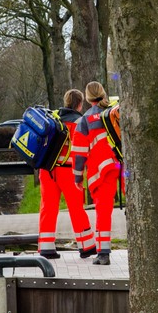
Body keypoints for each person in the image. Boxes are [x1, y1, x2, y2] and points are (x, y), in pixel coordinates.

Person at [38, 89, 96, 259]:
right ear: (80, 104)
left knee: (48, 207)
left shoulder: (53, 118)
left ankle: (46, 248)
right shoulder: (79, 122)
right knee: (76, 208)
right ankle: (86, 246)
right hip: (68, 171)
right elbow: (84, 151)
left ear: (65, 102)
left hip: (47, 170)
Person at [73, 82, 121, 265]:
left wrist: (78, 177)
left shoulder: (85, 120)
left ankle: (103, 253)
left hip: (101, 170)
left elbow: (79, 152)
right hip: (122, 165)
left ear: (87, 97)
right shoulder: (114, 111)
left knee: (103, 210)